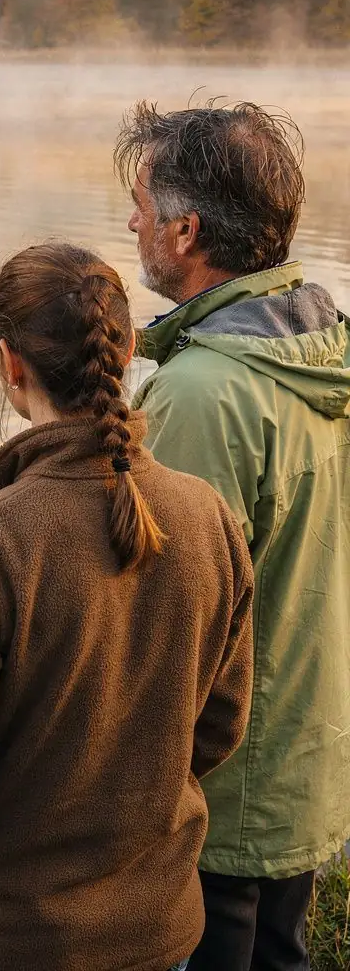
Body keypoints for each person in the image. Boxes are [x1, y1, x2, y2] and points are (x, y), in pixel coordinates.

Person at [0, 242, 254, 971]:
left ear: (10, 364)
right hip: (154, 930)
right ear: (130, 348)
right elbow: (218, 728)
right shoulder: (208, 517)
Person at [115, 100, 350, 971]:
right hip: (304, 756)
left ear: (185, 230)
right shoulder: (318, 341)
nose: (130, 221)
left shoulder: (205, 393)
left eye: (142, 204)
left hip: (225, 787)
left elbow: (165, 616)